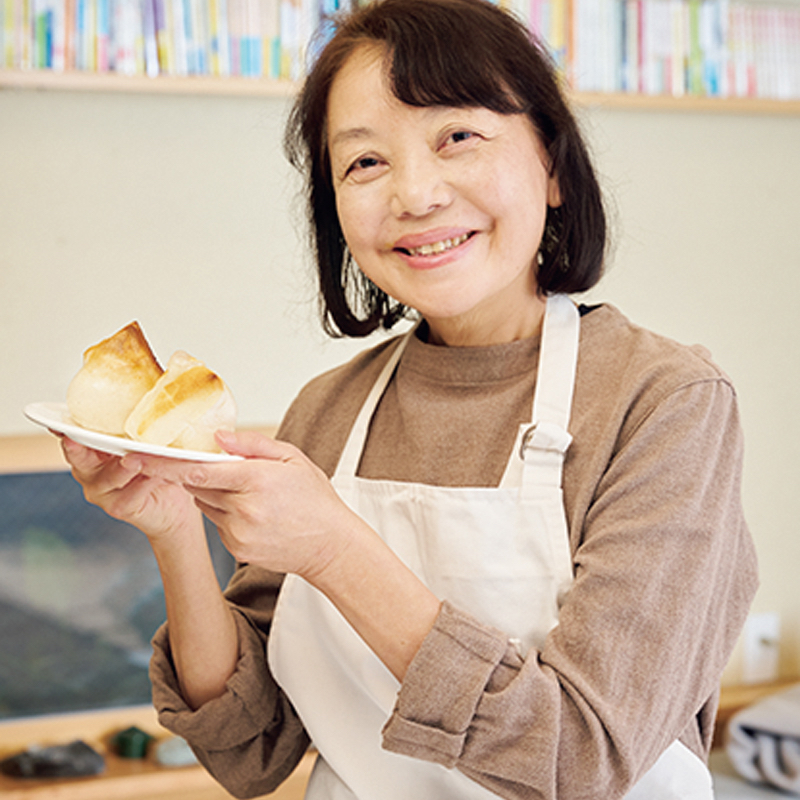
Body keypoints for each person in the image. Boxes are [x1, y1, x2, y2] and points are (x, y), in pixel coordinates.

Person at [60, 1, 758, 798]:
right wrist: (175, 527)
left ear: (554, 166)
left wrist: (334, 549)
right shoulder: (329, 409)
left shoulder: (665, 403)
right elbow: (248, 748)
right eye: (364, 164)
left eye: (457, 137)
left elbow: (579, 760)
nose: (416, 194)